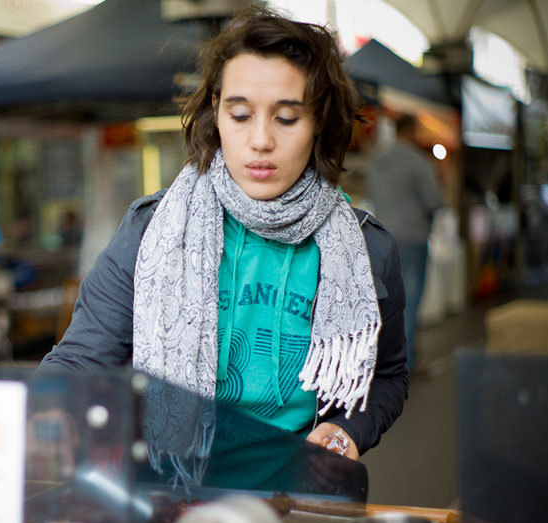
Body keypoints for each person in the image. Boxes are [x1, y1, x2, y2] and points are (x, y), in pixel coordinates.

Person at [41, 9, 408, 481]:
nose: (260, 140)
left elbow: (389, 377)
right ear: (215, 111)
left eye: (287, 118)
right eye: (239, 114)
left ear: (318, 121)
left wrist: (346, 430)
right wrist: (43, 409)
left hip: (302, 495)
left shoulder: (367, 251)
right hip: (168, 491)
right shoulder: (150, 231)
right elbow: (80, 357)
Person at [366, 114, 445, 370]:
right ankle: (405, 361)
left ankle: (383, 359)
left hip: (382, 238)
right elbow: (434, 201)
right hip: (413, 237)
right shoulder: (418, 161)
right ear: (411, 132)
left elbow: (372, 196)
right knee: (409, 300)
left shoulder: (378, 161)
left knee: (386, 301)